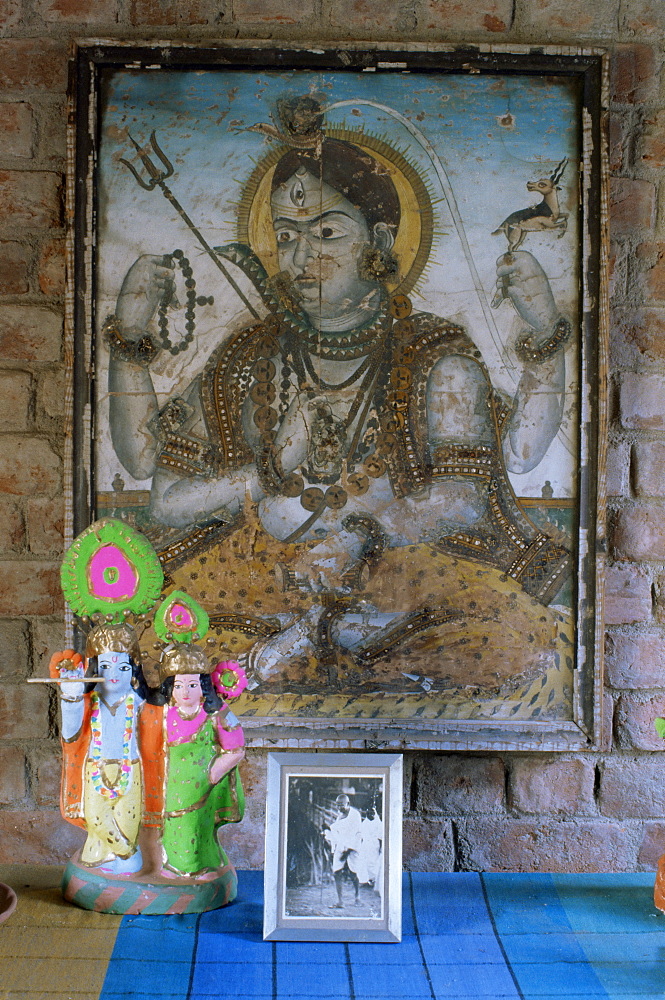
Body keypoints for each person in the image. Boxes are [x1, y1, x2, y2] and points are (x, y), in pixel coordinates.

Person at [104, 97, 572, 705]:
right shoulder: (248, 358)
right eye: (287, 236)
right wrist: (264, 474)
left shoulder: (434, 354)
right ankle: (303, 642)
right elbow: (162, 492)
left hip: (401, 577)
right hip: (259, 580)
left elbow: (466, 494)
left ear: (378, 238)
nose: (302, 258)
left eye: (326, 232)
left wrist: (362, 534)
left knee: (514, 644)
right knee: (159, 648)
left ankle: (327, 641)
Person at [51, 623, 162, 875]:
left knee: (128, 823)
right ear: (93, 669)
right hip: (95, 768)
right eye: (105, 667)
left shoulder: (141, 703)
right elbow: (70, 733)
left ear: (133, 672)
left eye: (122, 667)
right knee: (96, 817)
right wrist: (70, 696)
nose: (114, 675)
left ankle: (123, 857)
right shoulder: (88, 702)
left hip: (131, 770)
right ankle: (127, 854)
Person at [156, 647, 245, 877]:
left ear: (203, 686)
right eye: (178, 685)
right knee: (173, 829)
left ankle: (203, 867)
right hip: (172, 787)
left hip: (202, 787)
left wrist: (213, 774)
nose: (185, 692)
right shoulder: (164, 714)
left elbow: (236, 746)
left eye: (192, 685)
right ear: (170, 688)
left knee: (199, 828)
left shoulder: (216, 713)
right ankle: (173, 868)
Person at [324, 793, 364, 908]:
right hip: (340, 846)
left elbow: (356, 834)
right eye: (337, 805)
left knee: (353, 873)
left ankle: (357, 897)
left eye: (341, 805)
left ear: (348, 803)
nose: (339, 808)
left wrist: (347, 852)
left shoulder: (355, 815)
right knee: (336, 872)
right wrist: (327, 832)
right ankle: (340, 901)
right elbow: (336, 831)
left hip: (353, 847)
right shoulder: (339, 815)